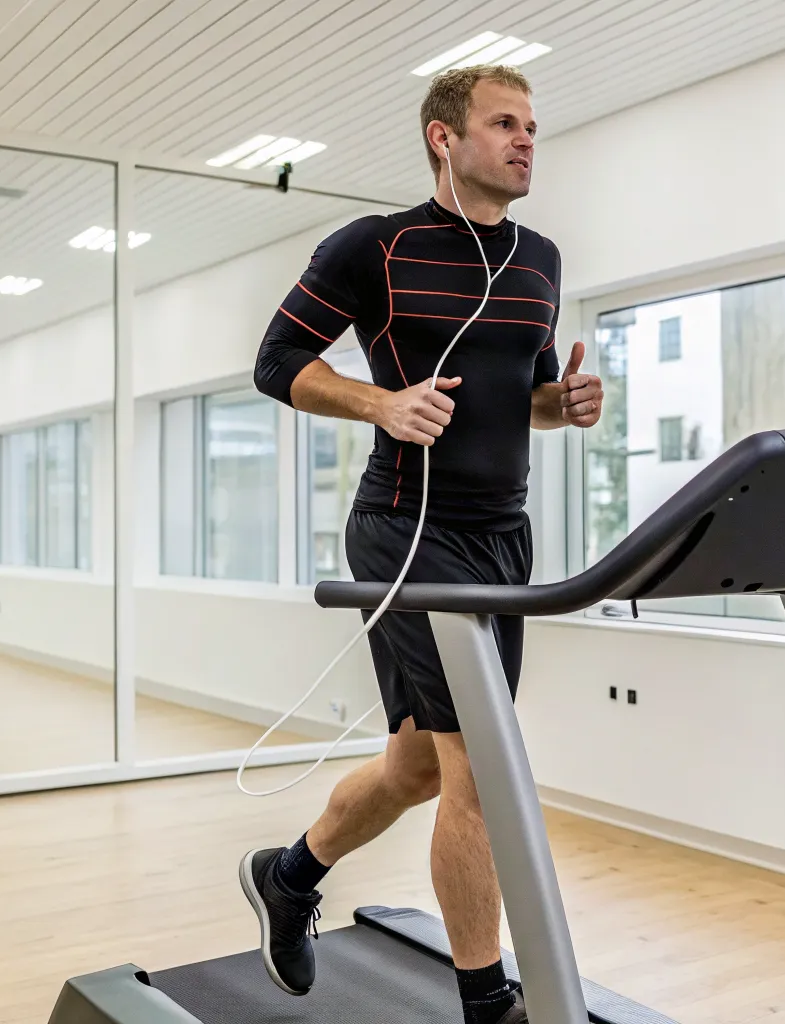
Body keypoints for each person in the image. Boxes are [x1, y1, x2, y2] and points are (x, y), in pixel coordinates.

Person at [240, 64, 600, 1024]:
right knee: (480, 763)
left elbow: (521, 395)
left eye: (532, 126)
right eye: (504, 123)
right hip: (407, 527)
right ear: (445, 138)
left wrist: (560, 403)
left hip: (502, 537)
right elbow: (277, 362)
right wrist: (380, 403)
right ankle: (487, 1000)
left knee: (420, 765)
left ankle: (289, 875)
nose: (526, 140)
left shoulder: (540, 260)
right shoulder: (377, 247)